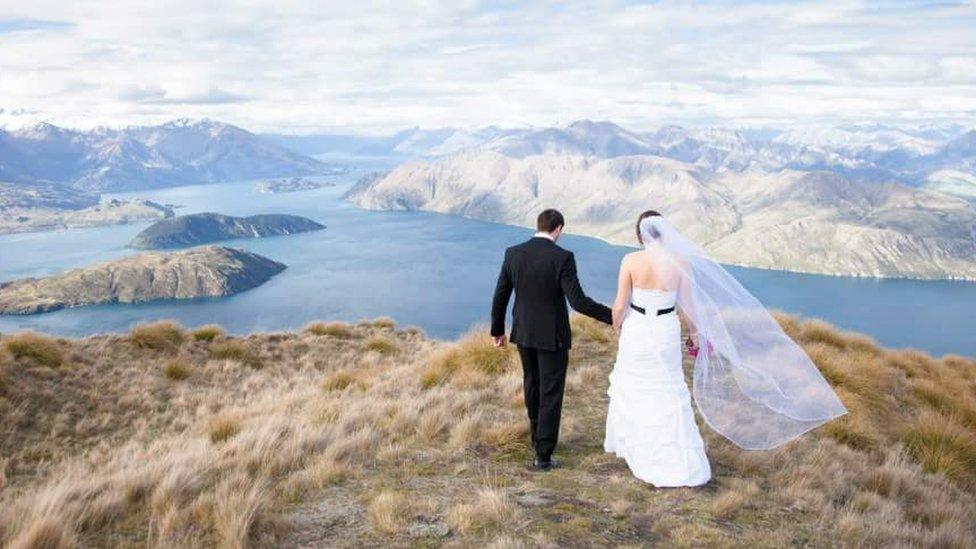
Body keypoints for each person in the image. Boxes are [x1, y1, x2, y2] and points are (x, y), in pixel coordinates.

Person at [604, 210, 847, 486]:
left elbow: (620, 304)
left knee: (635, 384)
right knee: (668, 387)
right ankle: (676, 459)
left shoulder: (631, 260)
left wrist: (618, 326)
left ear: (639, 235)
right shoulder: (680, 263)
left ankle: (636, 445)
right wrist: (695, 333)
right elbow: (689, 306)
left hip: (637, 329)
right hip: (665, 330)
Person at [490, 208, 613, 471]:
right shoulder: (563, 257)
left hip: (523, 333)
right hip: (552, 337)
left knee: (532, 385)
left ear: (539, 226)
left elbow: (501, 294)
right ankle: (543, 455)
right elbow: (578, 302)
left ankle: (537, 439)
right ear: (558, 229)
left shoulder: (514, 253)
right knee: (550, 392)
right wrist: (613, 317)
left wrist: (497, 330)